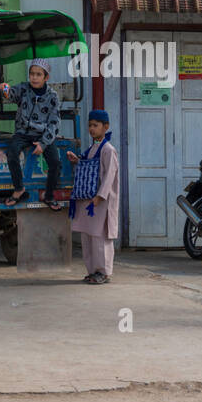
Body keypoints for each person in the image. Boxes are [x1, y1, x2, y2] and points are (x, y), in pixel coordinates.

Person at [0, 58, 64, 210]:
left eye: (38, 74)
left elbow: (54, 122)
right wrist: (5, 89)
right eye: (31, 74)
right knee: (12, 153)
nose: (34, 77)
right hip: (23, 133)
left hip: (43, 135)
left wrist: (43, 143)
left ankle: (49, 196)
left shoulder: (52, 96)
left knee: (55, 162)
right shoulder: (23, 89)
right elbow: (11, 94)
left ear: (46, 77)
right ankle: (19, 188)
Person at [68, 110, 120, 284]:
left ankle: (103, 272)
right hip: (89, 201)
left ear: (105, 127)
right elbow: (87, 165)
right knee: (88, 236)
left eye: (95, 125)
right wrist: (77, 161)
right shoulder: (92, 148)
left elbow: (109, 177)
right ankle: (92, 271)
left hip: (100, 202)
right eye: (90, 125)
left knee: (99, 237)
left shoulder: (108, 149)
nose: (92, 128)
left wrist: (99, 197)